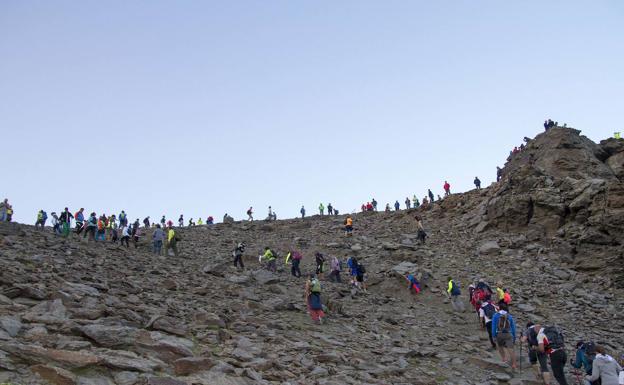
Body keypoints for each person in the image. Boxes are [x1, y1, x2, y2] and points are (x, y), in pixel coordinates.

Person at [491, 303, 517, 370]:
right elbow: (513, 327)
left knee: (500, 347)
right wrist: (514, 336)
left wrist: (493, 336)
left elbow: (493, 327)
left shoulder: (496, 316)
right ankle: (514, 364)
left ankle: (504, 359)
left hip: (499, 334)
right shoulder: (509, 316)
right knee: (511, 349)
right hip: (508, 334)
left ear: (499, 308)